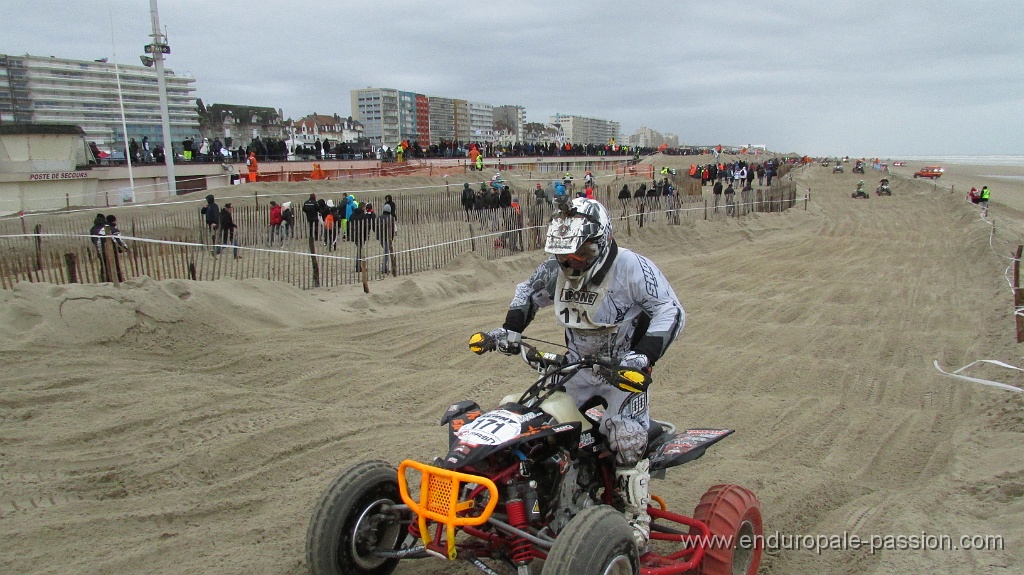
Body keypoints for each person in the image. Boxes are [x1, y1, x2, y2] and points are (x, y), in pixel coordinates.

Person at [483, 198, 684, 547]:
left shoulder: (632, 268)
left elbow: (670, 309)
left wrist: (643, 356)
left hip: (622, 372)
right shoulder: (554, 269)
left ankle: (636, 520)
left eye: (579, 255)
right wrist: (511, 329)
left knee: (626, 437)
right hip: (575, 368)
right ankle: (548, 500)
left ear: (601, 242)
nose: (571, 263)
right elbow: (528, 291)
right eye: (565, 256)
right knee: (537, 426)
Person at [377, 201, 396, 273]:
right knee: (386, 252)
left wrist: (378, 236)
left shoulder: (379, 218)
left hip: (381, 238)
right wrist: (392, 237)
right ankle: (384, 268)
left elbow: (377, 228)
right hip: (387, 238)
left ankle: (384, 267)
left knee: (386, 251)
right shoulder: (391, 218)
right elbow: (392, 229)